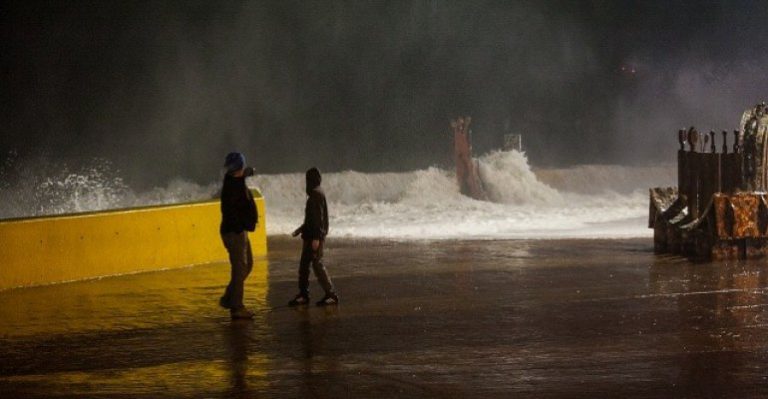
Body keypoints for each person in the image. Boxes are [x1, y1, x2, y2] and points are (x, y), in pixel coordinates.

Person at [289, 167, 339, 306]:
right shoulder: (317, 193)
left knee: (315, 265)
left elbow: (317, 219)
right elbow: (312, 219)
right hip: (311, 236)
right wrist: (300, 229)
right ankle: (305, 295)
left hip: (314, 238)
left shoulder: (316, 195)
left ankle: (330, 295)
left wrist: (316, 238)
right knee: (307, 266)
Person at [219, 152, 258, 319]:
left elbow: (239, 178)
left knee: (247, 265)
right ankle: (236, 307)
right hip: (235, 233)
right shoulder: (233, 187)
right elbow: (234, 213)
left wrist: (247, 172)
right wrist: (243, 225)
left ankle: (229, 298)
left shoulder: (234, 180)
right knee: (240, 268)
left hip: (239, 231)